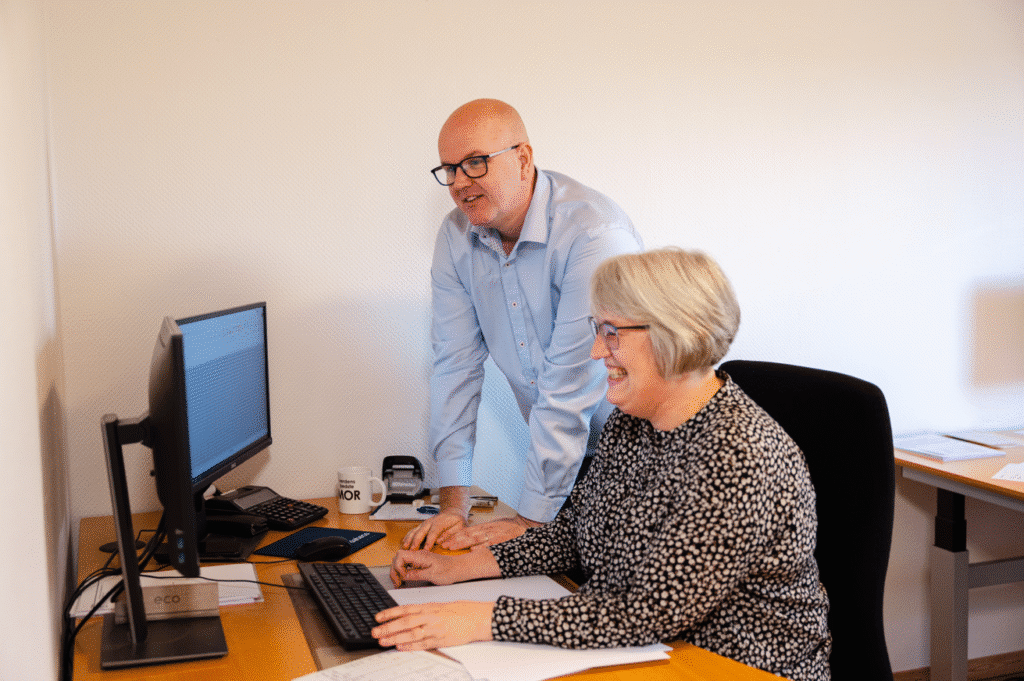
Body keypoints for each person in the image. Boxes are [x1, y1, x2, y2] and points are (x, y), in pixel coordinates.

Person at [374, 248, 832, 681]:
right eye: (598, 329)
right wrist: (466, 567)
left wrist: (483, 619)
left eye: (612, 332)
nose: (596, 351)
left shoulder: (739, 456)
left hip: (732, 665)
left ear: (678, 335)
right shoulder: (632, 421)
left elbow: (647, 613)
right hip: (645, 650)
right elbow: (577, 533)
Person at [407, 99, 643, 551]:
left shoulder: (594, 235)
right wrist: (453, 508)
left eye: (475, 162)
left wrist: (528, 524)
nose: (460, 182)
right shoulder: (456, 237)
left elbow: (568, 388)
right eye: (449, 169)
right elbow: (455, 368)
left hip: (642, 462)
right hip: (563, 460)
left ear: (523, 158)